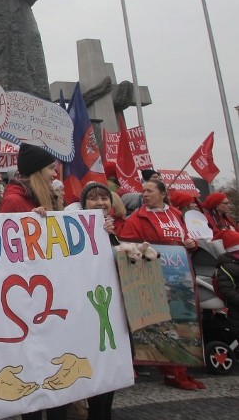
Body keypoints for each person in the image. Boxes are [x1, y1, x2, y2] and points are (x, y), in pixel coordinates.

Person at [0, 143, 68, 420]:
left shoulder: (37, 197)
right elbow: (7, 254)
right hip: (28, 303)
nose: (55, 173)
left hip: (43, 297)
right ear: (37, 171)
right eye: (50, 168)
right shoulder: (15, 201)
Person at [118, 180, 205, 391]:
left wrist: (191, 245)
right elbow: (125, 245)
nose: (144, 194)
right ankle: (171, 372)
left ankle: (181, 370)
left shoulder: (175, 214)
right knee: (164, 325)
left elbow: (185, 239)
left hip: (179, 273)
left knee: (182, 321)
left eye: (149, 191)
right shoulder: (137, 217)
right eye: (143, 191)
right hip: (153, 275)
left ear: (163, 194)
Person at [79, 181, 122, 420]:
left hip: (114, 311)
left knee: (111, 367)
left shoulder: (113, 229)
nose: (99, 203)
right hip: (90, 311)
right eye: (93, 198)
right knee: (96, 368)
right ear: (84, 203)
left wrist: (112, 238)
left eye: (104, 198)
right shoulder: (73, 229)